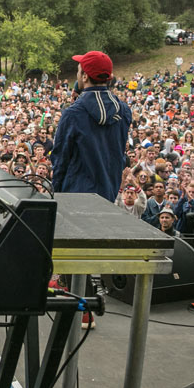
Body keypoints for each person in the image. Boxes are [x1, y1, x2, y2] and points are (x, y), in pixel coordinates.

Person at [52, 50, 131, 330]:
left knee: (76, 248)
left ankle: (83, 310)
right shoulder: (123, 110)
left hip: (76, 188)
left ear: (84, 76)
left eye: (78, 70)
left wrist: (57, 191)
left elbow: (60, 156)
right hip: (107, 187)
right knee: (86, 245)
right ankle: (68, 285)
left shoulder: (74, 113)